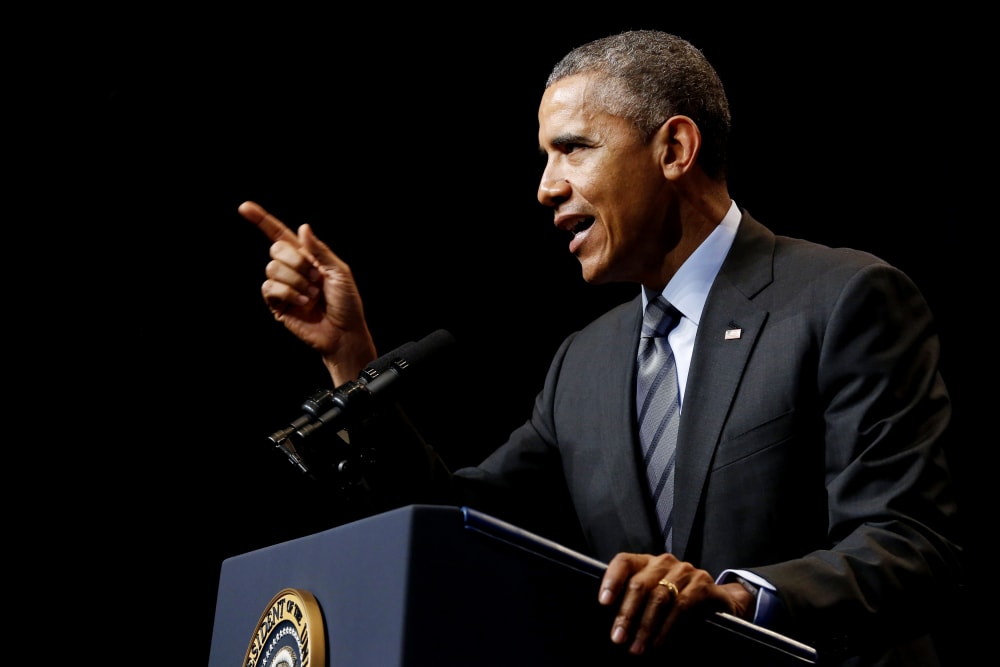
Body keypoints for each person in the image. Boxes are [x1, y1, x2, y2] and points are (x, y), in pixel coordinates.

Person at [239, 30, 963, 665]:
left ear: (674, 148)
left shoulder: (844, 298)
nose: (546, 187)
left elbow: (909, 541)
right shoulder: (585, 361)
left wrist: (740, 597)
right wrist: (352, 358)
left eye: (573, 149)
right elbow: (458, 524)